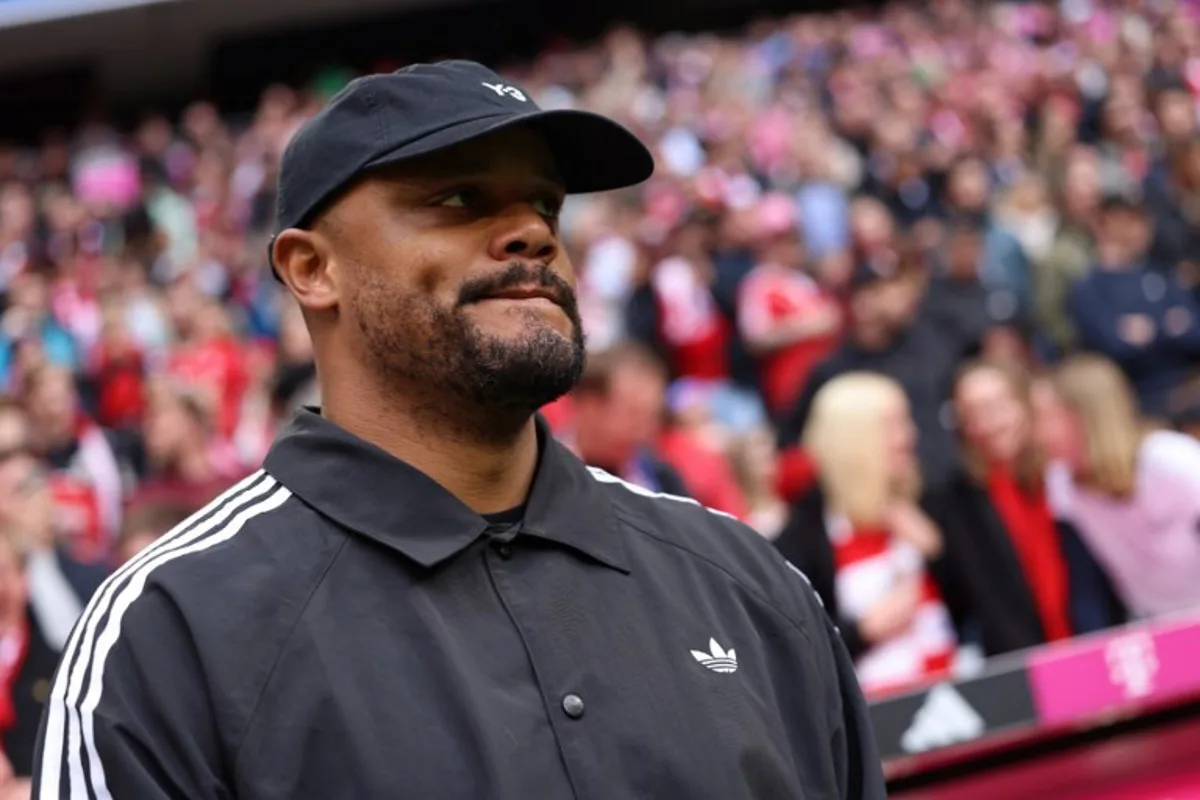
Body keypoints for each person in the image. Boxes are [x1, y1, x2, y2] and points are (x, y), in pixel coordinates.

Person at [35, 62, 885, 799]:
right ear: (312, 267)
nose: (533, 234)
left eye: (545, 203)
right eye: (457, 198)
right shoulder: (166, 634)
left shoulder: (743, 582)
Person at [774, 372, 956, 697]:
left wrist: (938, 553)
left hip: (956, 692)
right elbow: (795, 650)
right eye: (895, 426)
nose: (910, 436)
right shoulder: (802, 538)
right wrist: (863, 631)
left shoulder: (930, 501)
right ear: (856, 440)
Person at [927, 360, 1123, 658]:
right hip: (1026, 665)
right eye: (970, 415)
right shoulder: (959, 501)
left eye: (995, 408)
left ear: (1025, 404)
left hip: (1102, 642)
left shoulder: (1065, 473)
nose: (985, 425)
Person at [1032, 354, 1200, 621]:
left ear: (1086, 416)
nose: (1036, 433)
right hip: (1154, 628)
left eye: (1045, 417)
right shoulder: (1061, 485)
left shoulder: (1170, 460)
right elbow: (1087, 587)